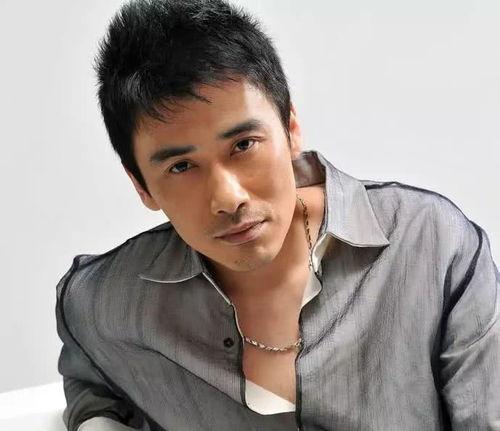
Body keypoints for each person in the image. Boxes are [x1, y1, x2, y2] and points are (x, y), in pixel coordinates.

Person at [55, 0, 500, 430]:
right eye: (182, 166)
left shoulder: (430, 245)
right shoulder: (105, 302)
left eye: (243, 145)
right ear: (140, 185)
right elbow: (90, 384)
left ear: (291, 129)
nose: (228, 198)